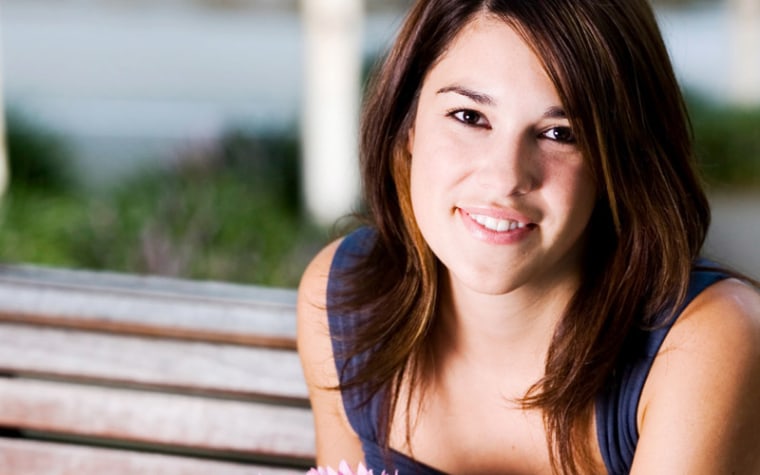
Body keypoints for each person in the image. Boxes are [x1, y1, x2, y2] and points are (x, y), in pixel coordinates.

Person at [297, 0, 760, 473]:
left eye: (560, 133)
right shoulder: (346, 302)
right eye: (470, 116)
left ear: (618, 161)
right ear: (409, 124)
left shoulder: (708, 343)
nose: (505, 178)